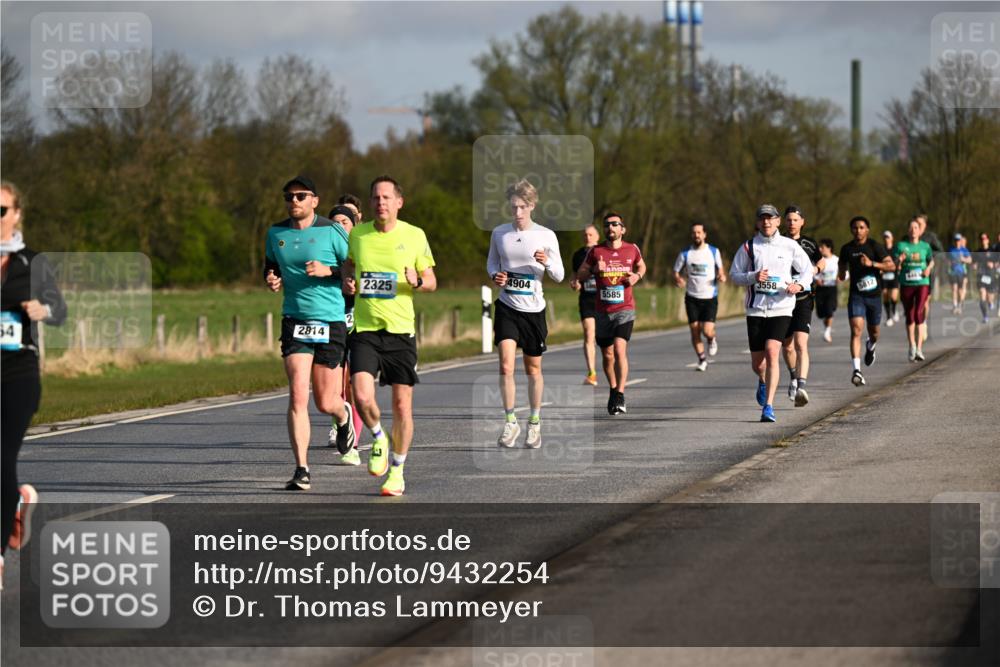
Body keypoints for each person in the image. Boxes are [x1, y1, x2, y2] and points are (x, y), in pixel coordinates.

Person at [342, 175, 437, 496]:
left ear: (399, 202)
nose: (381, 202)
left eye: (386, 197)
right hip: (366, 329)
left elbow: (431, 281)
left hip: (400, 332)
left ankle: (397, 470)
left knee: (401, 405)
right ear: (370, 204)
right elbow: (348, 265)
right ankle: (378, 437)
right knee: (362, 395)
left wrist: (417, 280)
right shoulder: (358, 234)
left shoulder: (414, 235)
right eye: (376, 198)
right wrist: (348, 281)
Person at [264, 177, 355, 491]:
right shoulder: (276, 233)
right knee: (297, 394)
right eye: (289, 196)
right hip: (295, 320)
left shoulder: (332, 231)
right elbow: (271, 266)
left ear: (314, 201)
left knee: (325, 401)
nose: (294, 201)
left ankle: (343, 416)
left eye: (301, 196)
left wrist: (330, 271)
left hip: (330, 321)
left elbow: (353, 266)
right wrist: (271, 279)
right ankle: (301, 468)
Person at [1, 181, 67, 582]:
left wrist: (42, 309)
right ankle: (16, 505)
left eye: (1, 210)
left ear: (17, 214)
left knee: (2, 457)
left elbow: (60, 309)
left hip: (18, 375)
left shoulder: (32, 262)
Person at [487, 179, 564, 447]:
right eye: (513, 207)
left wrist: (548, 261)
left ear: (531, 206)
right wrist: (496, 276)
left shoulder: (546, 235)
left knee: (533, 369)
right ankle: (510, 422)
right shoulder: (500, 233)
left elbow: (559, 274)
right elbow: (492, 264)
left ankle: (534, 421)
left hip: (534, 310)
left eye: (521, 207)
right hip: (507, 306)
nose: (517, 213)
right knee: (506, 364)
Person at [729, 204, 813, 423]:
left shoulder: (789, 246)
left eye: (771, 218)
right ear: (758, 222)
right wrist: (753, 277)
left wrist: (799, 286)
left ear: (778, 221)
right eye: (762, 219)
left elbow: (807, 271)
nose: (766, 222)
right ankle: (763, 380)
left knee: (772, 351)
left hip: (782, 307)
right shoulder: (749, 247)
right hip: (756, 309)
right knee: (759, 364)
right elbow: (734, 275)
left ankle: (768, 406)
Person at [577, 212, 646, 414]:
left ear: (622, 229)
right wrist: (593, 270)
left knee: (618, 349)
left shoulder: (631, 249)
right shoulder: (596, 252)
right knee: (607, 355)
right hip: (602, 311)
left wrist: (637, 276)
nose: (611, 228)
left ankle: (620, 394)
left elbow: (641, 265)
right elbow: (580, 274)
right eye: (607, 225)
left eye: (615, 224)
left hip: (624, 309)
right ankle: (613, 389)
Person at [326, 203, 364, 466]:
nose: (339, 225)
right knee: (335, 386)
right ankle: (341, 422)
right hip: (332, 319)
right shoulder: (324, 252)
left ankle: (353, 442)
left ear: (353, 226)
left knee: (354, 385)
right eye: (334, 222)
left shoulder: (363, 249)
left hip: (360, 321)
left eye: (344, 221)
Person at [838, 215, 895, 387]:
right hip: (857, 296)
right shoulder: (846, 248)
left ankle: (871, 346)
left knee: (874, 332)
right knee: (856, 330)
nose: (858, 230)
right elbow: (842, 267)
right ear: (851, 230)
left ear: (867, 230)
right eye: (855, 227)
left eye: (862, 227)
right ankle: (857, 370)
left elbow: (891, 265)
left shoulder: (874, 246)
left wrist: (872, 264)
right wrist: (842, 273)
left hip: (874, 296)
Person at [781, 206, 823, 406]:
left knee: (800, 344)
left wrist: (815, 268)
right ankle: (792, 376)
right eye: (788, 220)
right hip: (781, 301)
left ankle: (801, 386)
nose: (791, 223)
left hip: (804, 298)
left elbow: (822, 261)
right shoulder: (777, 243)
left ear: (802, 222)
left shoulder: (808, 243)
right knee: (787, 346)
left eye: (795, 220)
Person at [673, 222, 725, 372]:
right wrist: (678, 279)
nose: (696, 235)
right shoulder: (685, 253)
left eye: (699, 232)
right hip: (692, 297)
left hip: (709, 297)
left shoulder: (714, 251)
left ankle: (711, 339)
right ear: (692, 235)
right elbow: (676, 271)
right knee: (695, 330)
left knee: (707, 331)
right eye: (694, 232)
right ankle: (702, 359)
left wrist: (721, 276)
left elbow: (721, 271)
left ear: (704, 234)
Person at [894, 218, 934, 361]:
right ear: (908, 230)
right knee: (910, 315)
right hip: (906, 283)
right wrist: (900, 260)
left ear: (919, 230)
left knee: (919, 312)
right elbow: (895, 265)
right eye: (911, 228)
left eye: (916, 227)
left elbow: (931, 260)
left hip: (922, 282)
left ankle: (919, 349)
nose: (913, 230)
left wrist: (928, 269)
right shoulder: (900, 246)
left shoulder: (925, 246)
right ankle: (911, 346)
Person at [570, 224, 600, 385]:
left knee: (605, 339)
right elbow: (574, 277)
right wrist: (575, 284)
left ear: (597, 237)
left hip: (604, 299)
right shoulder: (578, 255)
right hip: (587, 299)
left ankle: (612, 367)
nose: (587, 237)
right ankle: (592, 373)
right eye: (585, 235)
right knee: (589, 334)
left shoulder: (604, 252)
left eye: (590, 235)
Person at [815, 239, 840, 343]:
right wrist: (816, 279)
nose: (820, 249)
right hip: (820, 289)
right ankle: (826, 328)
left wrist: (840, 278)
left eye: (822, 247)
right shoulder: (818, 260)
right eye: (819, 247)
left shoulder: (836, 260)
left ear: (829, 248)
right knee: (821, 313)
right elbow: (812, 271)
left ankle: (827, 331)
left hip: (831, 288)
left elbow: (845, 272)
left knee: (829, 310)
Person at [973, 232, 996, 322]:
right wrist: (974, 265)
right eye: (982, 239)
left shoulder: (993, 251)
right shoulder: (978, 251)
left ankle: (990, 302)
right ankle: (985, 316)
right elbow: (974, 262)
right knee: (982, 294)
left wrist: (993, 264)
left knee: (990, 297)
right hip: (981, 275)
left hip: (990, 275)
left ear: (988, 240)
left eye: (985, 239)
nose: (983, 241)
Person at [947, 233, 972, 315]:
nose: (957, 242)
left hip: (961, 272)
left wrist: (963, 259)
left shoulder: (964, 250)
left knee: (960, 290)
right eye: (955, 240)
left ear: (960, 241)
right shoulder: (950, 249)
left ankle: (960, 305)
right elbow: (947, 259)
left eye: (958, 240)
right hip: (953, 272)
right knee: (954, 288)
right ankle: (955, 306)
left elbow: (970, 260)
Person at [881, 231, 901, 326]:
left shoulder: (895, 249)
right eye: (885, 237)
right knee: (885, 296)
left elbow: (899, 260)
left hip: (894, 276)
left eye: (888, 237)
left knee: (893, 296)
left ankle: (894, 310)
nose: (886, 239)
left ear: (892, 238)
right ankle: (888, 317)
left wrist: (900, 265)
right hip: (884, 276)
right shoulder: (881, 250)